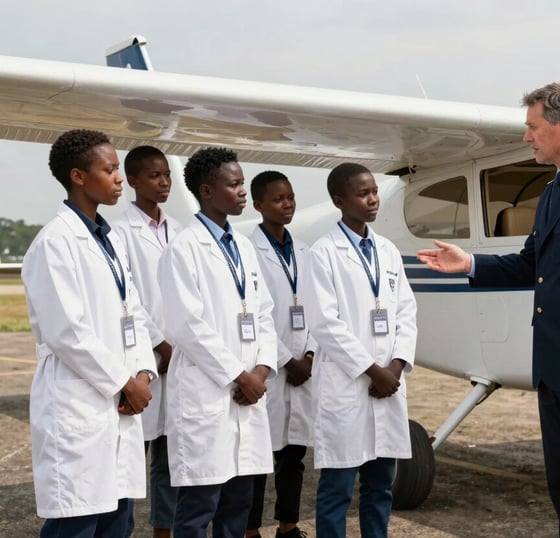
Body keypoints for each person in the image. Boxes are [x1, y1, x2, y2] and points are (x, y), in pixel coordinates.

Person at [417, 82, 560, 537]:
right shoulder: (553, 192)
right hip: (555, 368)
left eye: (532, 127)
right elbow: (532, 265)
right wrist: (469, 263)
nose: (527, 137)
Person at [22, 129, 156, 537]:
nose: (119, 178)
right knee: (77, 522)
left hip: (120, 402)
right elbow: (68, 332)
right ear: (79, 177)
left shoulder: (107, 238)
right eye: (110, 169)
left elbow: (134, 312)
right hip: (81, 401)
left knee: (118, 520)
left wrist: (144, 372)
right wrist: (123, 383)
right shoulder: (55, 243)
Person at [157, 146, 278, 538]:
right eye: (235, 184)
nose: (243, 191)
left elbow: (263, 314)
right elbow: (187, 325)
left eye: (243, 183)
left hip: (248, 393)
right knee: (198, 507)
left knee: (237, 507)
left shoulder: (242, 246)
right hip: (208, 394)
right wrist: (238, 377)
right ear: (207, 191)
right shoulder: (184, 247)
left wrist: (260, 370)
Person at [305, 162, 418, 538]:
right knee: (337, 490)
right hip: (348, 386)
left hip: (388, 384)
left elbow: (407, 310)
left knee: (379, 487)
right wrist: (375, 371)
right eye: (362, 194)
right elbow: (325, 324)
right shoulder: (323, 253)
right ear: (339, 201)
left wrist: (396, 367)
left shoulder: (387, 250)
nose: (372, 200)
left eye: (374, 192)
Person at [112, 145, 181, 538]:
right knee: (132, 454)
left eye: (167, 174)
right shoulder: (120, 233)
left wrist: (178, 345)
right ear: (133, 180)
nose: (164, 182)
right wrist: (159, 344)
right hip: (144, 357)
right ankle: (121, 529)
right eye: (154, 176)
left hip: (179, 357)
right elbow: (129, 297)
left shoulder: (181, 232)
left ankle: (163, 531)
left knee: (170, 457)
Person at [246, 170, 315, 538]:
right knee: (258, 457)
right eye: (277, 199)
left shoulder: (304, 250)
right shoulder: (247, 250)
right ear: (258, 205)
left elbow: (317, 308)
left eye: (290, 197)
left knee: (294, 456)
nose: (286, 204)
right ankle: (251, 529)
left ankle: (289, 526)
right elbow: (254, 314)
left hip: (304, 364)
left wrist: (310, 356)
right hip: (270, 365)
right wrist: (287, 359)